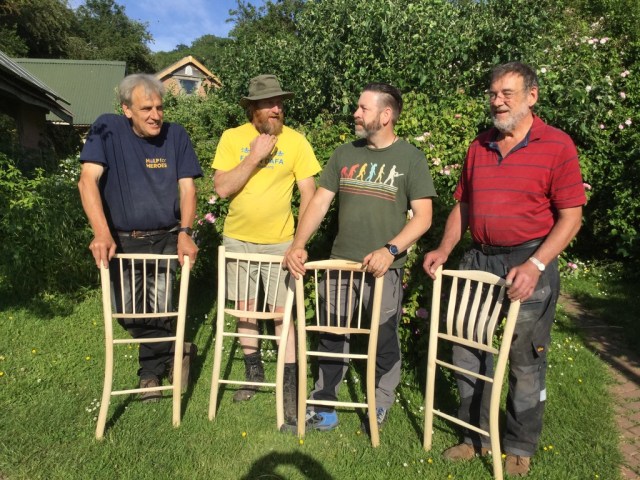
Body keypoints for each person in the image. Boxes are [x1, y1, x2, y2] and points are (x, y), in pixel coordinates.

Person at [422, 62, 586, 477]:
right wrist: (444, 248)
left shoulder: (557, 145)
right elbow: (463, 205)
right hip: (478, 259)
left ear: (532, 96)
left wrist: (536, 264)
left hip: (529, 260)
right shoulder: (479, 146)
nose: (497, 101)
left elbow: (571, 217)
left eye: (507, 94)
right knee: (466, 348)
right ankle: (474, 436)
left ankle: (518, 444)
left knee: (525, 358)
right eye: (493, 94)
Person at [284, 82, 437, 432]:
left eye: (363, 108)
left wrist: (390, 250)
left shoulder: (411, 158)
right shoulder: (344, 154)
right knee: (331, 333)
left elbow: (424, 218)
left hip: (384, 268)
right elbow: (320, 202)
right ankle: (324, 405)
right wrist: (299, 243)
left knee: (383, 337)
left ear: (386, 115)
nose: (355, 113)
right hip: (340, 263)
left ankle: (379, 402)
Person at [78, 73, 202, 402]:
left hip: (166, 238)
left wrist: (186, 233)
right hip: (123, 240)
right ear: (127, 109)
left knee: (159, 309)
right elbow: (87, 180)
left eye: (159, 107)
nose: (155, 115)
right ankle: (178, 348)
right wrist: (101, 232)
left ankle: (149, 375)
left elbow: (188, 188)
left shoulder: (176, 135)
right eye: (146, 108)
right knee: (127, 314)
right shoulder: (107, 129)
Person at [212, 74, 321, 424]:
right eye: (269, 103)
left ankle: (289, 387)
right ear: (253, 108)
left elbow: (310, 194)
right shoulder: (232, 138)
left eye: (279, 103)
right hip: (238, 239)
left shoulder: (296, 141)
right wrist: (254, 156)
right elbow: (222, 188)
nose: (277, 108)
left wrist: (300, 242)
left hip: (281, 244)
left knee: (281, 314)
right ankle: (253, 373)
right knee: (245, 310)